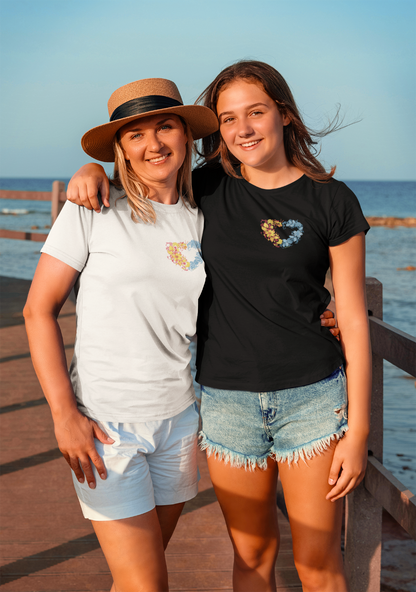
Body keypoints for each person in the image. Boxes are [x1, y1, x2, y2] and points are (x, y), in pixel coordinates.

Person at [66, 60, 370, 592]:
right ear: (217, 129)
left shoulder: (332, 200)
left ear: (286, 115)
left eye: (256, 112)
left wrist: (359, 428)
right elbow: (141, 178)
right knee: (251, 557)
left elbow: (350, 316)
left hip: (314, 400)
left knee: (319, 563)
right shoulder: (204, 188)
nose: (243, 128)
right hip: (227, 402)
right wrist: (91, 172)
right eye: (228, 118)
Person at [23, 77, 220, 592]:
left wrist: (324, 307)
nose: (153, 143)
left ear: (186, 136)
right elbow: (37, 310)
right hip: (106, 427)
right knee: (146, 583)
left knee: (138, 577)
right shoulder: (93, 209)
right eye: (135, 134)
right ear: (120, 149)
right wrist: (64, 414)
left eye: (165, 126)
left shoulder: (203, 218)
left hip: (178, 421)